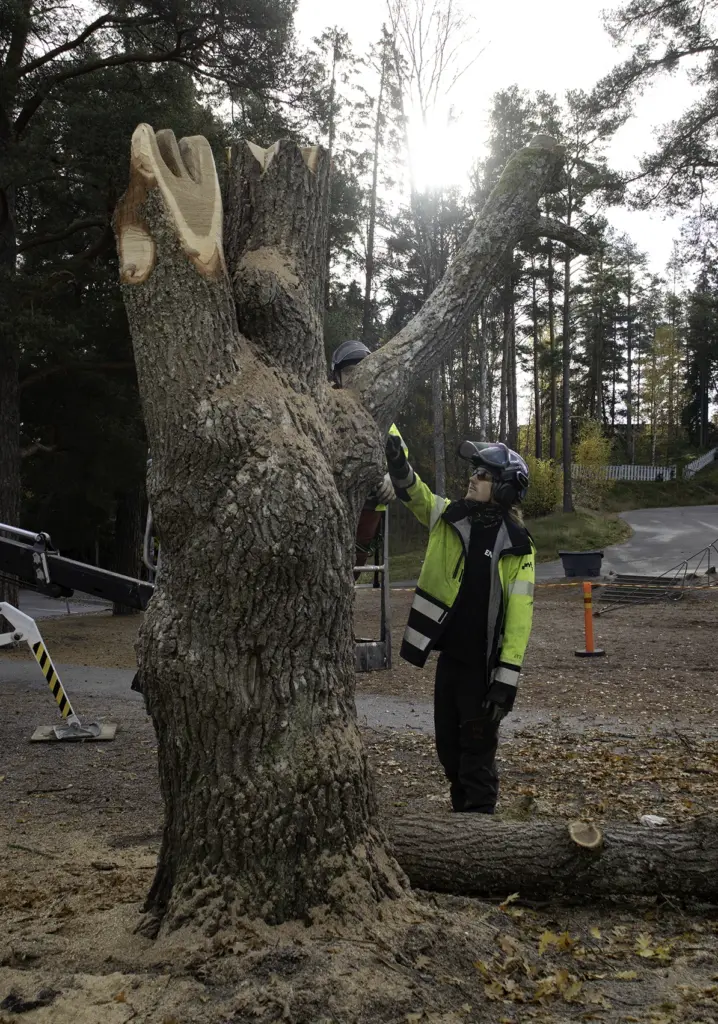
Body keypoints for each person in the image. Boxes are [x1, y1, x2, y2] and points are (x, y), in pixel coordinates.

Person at [385, 435, 536, 814]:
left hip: (483, 670)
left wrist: (506, 682)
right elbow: (415, 494)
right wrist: (396, 458)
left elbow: (520, 620)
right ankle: (460, 817)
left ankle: (480, 827)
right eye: (475, 471)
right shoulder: (451, 515)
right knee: (448, 750)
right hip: (450, 661)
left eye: (484, 474)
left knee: (477, 754)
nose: (474, 478)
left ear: (504, 487)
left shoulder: (518, 544)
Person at [331, 340, 406, 571]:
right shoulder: (325, 406)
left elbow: (399, 449)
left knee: (354, 563)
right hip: (331, 500)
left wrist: (390, 476)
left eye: (361, 371)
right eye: (348, 371)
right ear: (337, 377)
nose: (355, 377)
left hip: (370, 503)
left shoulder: (379, 409)